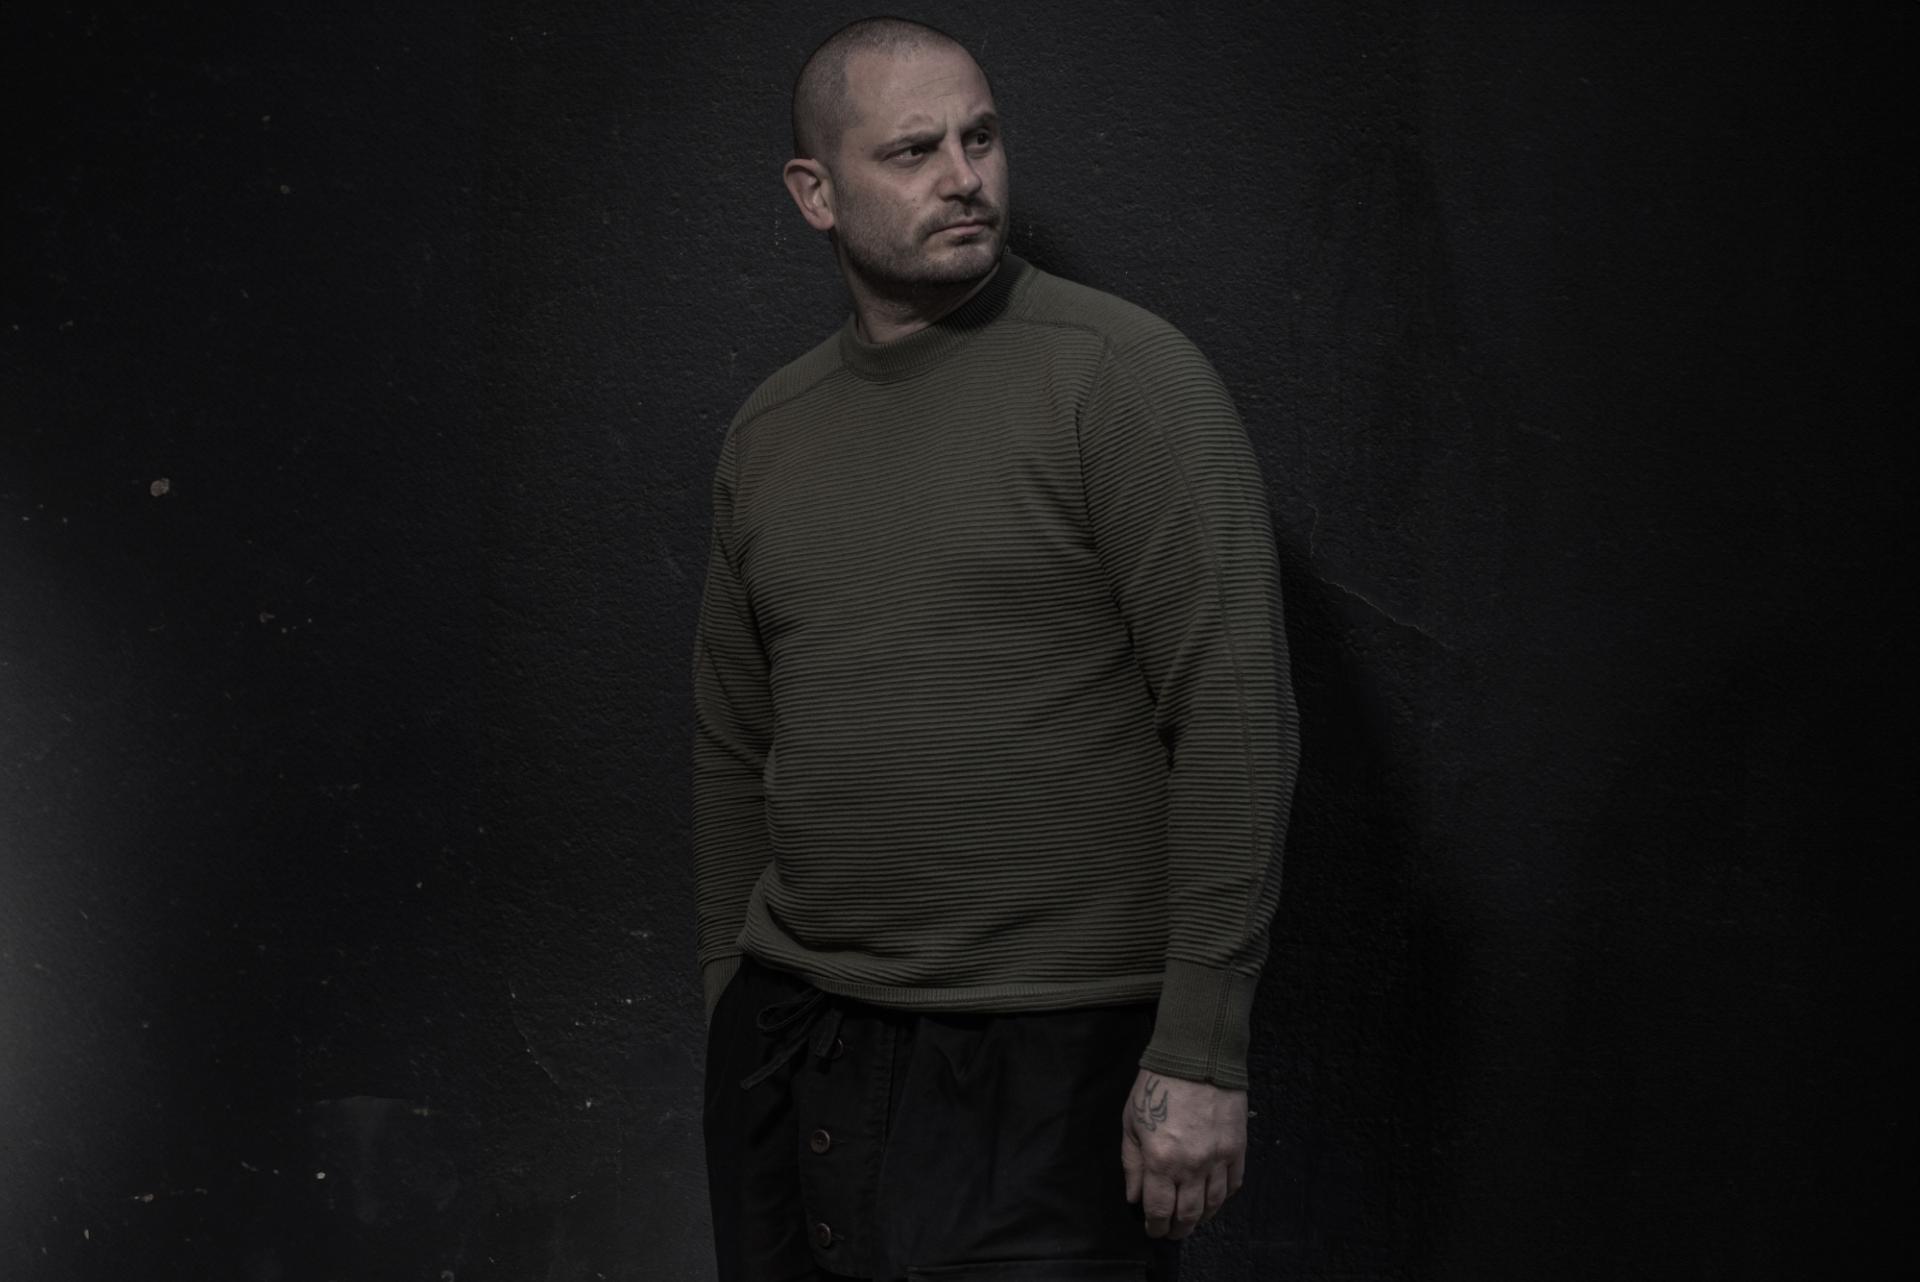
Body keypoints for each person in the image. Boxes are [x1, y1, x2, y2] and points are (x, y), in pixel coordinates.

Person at [692, 16, 1298, 1281]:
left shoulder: (1124, 378)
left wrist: (1201, 1050)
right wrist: (725, 1005)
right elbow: (734, 744)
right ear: (814, 191)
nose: (964, 177)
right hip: (800, 1038)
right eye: (913, 150)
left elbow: (1234, 718)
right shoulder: (769, 431)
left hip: (1048, 1056)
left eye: (981, 138)